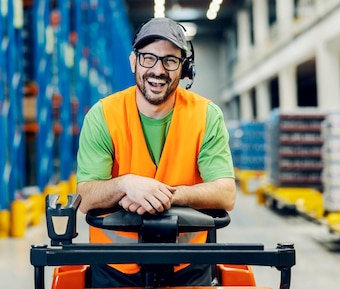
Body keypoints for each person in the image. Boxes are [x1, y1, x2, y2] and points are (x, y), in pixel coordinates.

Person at [76, 17, 236, 288]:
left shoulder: (206, 115)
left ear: (185, 69)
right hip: (115, 266)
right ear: (133, 62)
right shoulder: (103, 115)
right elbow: (86, 197)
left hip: (187, 264)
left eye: (170, 61)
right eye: (148, 58)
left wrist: (167, 195)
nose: (158, 70)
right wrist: (126, 184)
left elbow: (226, 194)